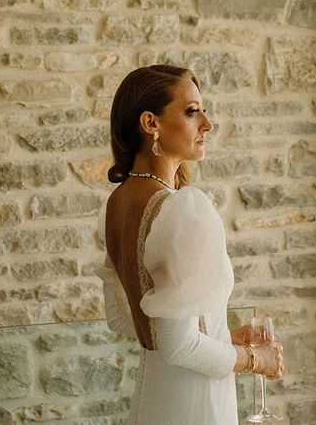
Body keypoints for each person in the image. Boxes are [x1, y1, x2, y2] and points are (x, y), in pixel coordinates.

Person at [95, 64, 284, 424]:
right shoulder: (181, 209)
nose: (207, 125)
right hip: (196, 406)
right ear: (151, 123)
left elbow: (126, 321)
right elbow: (179, 345)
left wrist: (222, 336)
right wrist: (256, 359)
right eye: (192, 111)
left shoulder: (118, 203)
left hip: (153, 400)